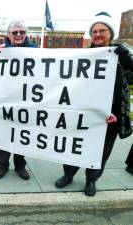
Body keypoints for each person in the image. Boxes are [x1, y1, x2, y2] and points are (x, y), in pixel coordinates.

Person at [55, 12, 133, 196]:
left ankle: (91, 179)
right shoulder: (85, 55)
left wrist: (125, 59)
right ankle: (68, 174)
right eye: (94, 31)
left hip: (111, 116)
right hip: (84, 113)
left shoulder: (119, 54)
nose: (97, 34)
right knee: (75, 145)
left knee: (101, 151)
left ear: (110, 33)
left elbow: (132, 78)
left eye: (102, 30)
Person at [0, 20, 37, 180]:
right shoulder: (0, 53)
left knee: (23, 136)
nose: (18, 35)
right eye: (15, 32)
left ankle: (20, 166)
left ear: (26, 34)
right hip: (4, 104)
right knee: (4, 135)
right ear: (8, 35)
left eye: (21, 32)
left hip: (26, 104)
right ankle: (3, 165)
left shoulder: (35, 51)